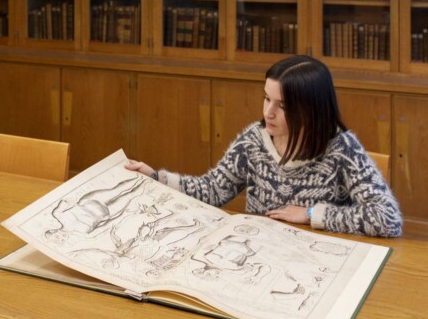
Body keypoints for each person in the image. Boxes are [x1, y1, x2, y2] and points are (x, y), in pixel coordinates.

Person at [126, 55, 402, 238]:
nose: (268, 113)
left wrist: (310, 215)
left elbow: (388, 219)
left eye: (282, 106)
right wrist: (156, 177)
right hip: (259, 253)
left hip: (318, 265)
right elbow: (212, 190)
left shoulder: (343, 149)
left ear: (311, 109)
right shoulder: (253, 141)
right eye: (266, 99)